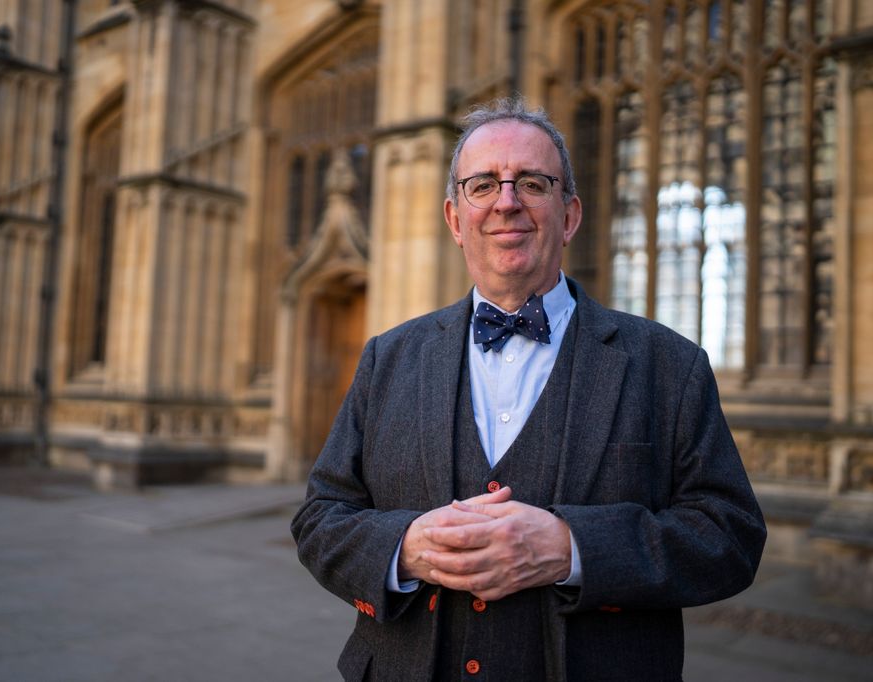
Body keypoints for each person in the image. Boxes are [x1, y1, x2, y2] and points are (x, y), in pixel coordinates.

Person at [291, 96, 766, 681]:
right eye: (483, 184)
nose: (507, 202)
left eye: (533, 183)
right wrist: (404, 548)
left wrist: (571, 548)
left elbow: (730, 537)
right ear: (454, 218)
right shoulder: (388, 358)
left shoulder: (669, 364)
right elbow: (320, 518)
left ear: (568, 216)